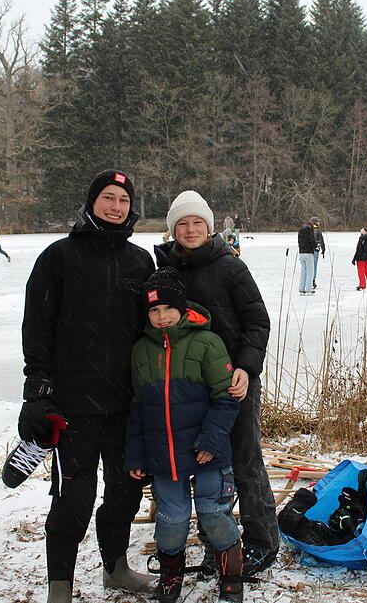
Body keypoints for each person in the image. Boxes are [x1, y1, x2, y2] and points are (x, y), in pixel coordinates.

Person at [19, 169, 156, 603]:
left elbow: (151, 330)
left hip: (124, 405)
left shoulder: (140, 262)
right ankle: (60, 586)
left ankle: (115, 568)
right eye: (108, 198)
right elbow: (37, 327)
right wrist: (37, 388)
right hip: (73, 405)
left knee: (124, 492)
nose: (116, 207)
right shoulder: (58, 257)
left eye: (123, 200)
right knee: (73, 499)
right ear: (92, 201)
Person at [155, 190, 278, 576]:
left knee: (244, 462)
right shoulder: (165, 271)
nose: (190, 230)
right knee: (202, 465)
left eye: (198, 223)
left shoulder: (230, 267)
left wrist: (246, 366)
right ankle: (215, 545)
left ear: (209, 227)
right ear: (172, 229)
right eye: (182, 224)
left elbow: (257, 322)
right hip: (190, 388)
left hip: (233, 382)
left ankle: (261, 542)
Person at [126, 267, 243, 603]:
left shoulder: (207, 343)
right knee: (171, 519)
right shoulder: (141, 351)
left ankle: (231, 575)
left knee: (214, 514)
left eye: (168, 309)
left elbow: (226, 398)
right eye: (154, 310)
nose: (162, 317)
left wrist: (211, 439)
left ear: (182, 309)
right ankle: (171, 574)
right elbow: (137, 409)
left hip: (208, 453)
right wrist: (135, 454)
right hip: (164, 457)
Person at [297, 219, 316, 295]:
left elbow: (299, 242)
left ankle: (301, 288)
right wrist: (315, 246)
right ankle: (309, 288)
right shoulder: (309, 231)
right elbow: (312, 241)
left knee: (303, 271)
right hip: (308, 253)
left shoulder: (300, 231)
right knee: (310, 271)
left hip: (301, 253)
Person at [311, 217, 326, 288]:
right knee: (314, 266)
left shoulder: (309, 229)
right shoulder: (318, 230)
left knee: (309, 266)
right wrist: (323, 249)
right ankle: (312, 280)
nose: (319, 223)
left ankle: (309, 280)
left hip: (309, 250)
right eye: (318, 222)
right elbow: (321, 240)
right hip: (315, 250)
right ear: (315, 222)